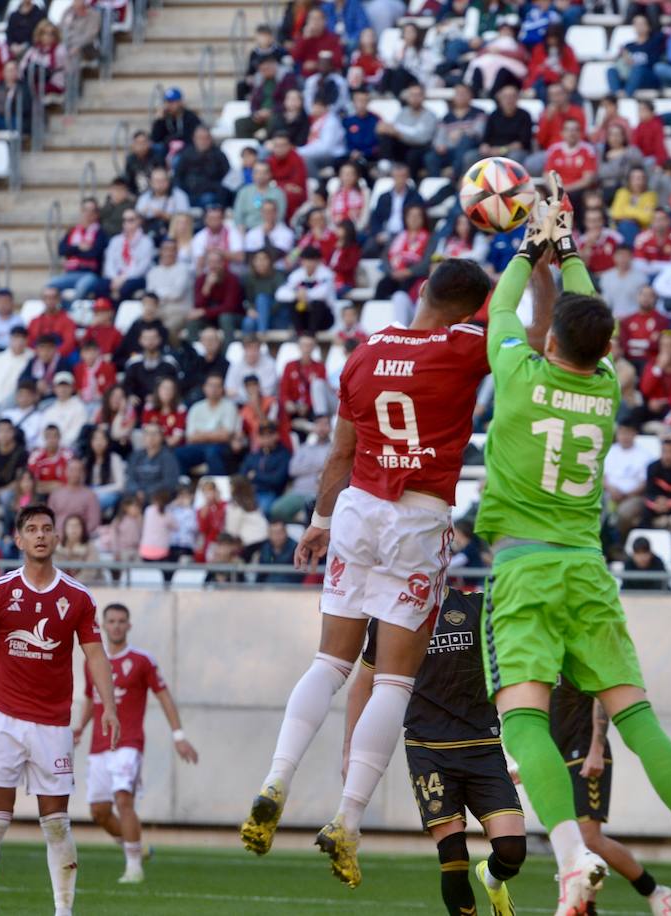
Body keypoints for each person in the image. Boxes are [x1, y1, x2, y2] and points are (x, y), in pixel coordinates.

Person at [475, 176, 671, 914]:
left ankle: (572, 858)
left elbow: (500, 309)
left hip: (522, 570)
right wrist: (566, 249)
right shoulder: (607, 388)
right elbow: (583, 313)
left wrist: (526, 248)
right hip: (588, 570)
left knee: (524, 718)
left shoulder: (515, 373)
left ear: (552, 339)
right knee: (638, 719)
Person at [239, 255, 496, 887]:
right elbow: (528, 323)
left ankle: (277, 778)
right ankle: (348, 822)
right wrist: (536, 258)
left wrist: (319, 521)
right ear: (467, 311)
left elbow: (339, 451)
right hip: (416, 515)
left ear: (419, 291)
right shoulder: (464, 347)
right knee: (394, 684)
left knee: (329, 664)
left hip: (355, 508)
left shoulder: (363, 351)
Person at [0, 505, 119, 916]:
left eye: (47, 528)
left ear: (57, 539)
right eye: (32, 529)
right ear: (19, 540)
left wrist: (109, 706)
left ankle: (63, 911)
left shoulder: (77, 597)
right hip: (2, 719)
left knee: (57, 823)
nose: (40, 535)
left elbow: (95, 655)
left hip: (52, 724)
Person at [346, 588, 529, 916]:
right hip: (428, 749)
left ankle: (492, 878)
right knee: (453, 854)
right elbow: (363, 683)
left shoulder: (478, 606)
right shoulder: (389, 618)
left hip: (482, 746)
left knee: (512, 850)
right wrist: (351, 750)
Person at [73, 602, 198, 885]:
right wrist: (80, 726)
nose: (116, 626)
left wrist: (179, 736)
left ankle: (133, 868)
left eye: (121, 621)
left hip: (128, 742)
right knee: (99, 811)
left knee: (123, 801)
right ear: (103, 626)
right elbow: (93, 700)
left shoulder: (142, 660)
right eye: (112, 621)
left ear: (128, 626)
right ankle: (138, 848)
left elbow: (163, 696)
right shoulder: (92, 659)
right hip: (98, 746)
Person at [547, 679, 671, 912]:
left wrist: (596, 750)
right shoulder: (544, 655)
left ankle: (655, 892)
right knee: (574, 840)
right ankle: (586, 905)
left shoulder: (577, 650)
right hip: (559, 755)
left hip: (585, 753)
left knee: (590, 838)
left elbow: (600, 696)